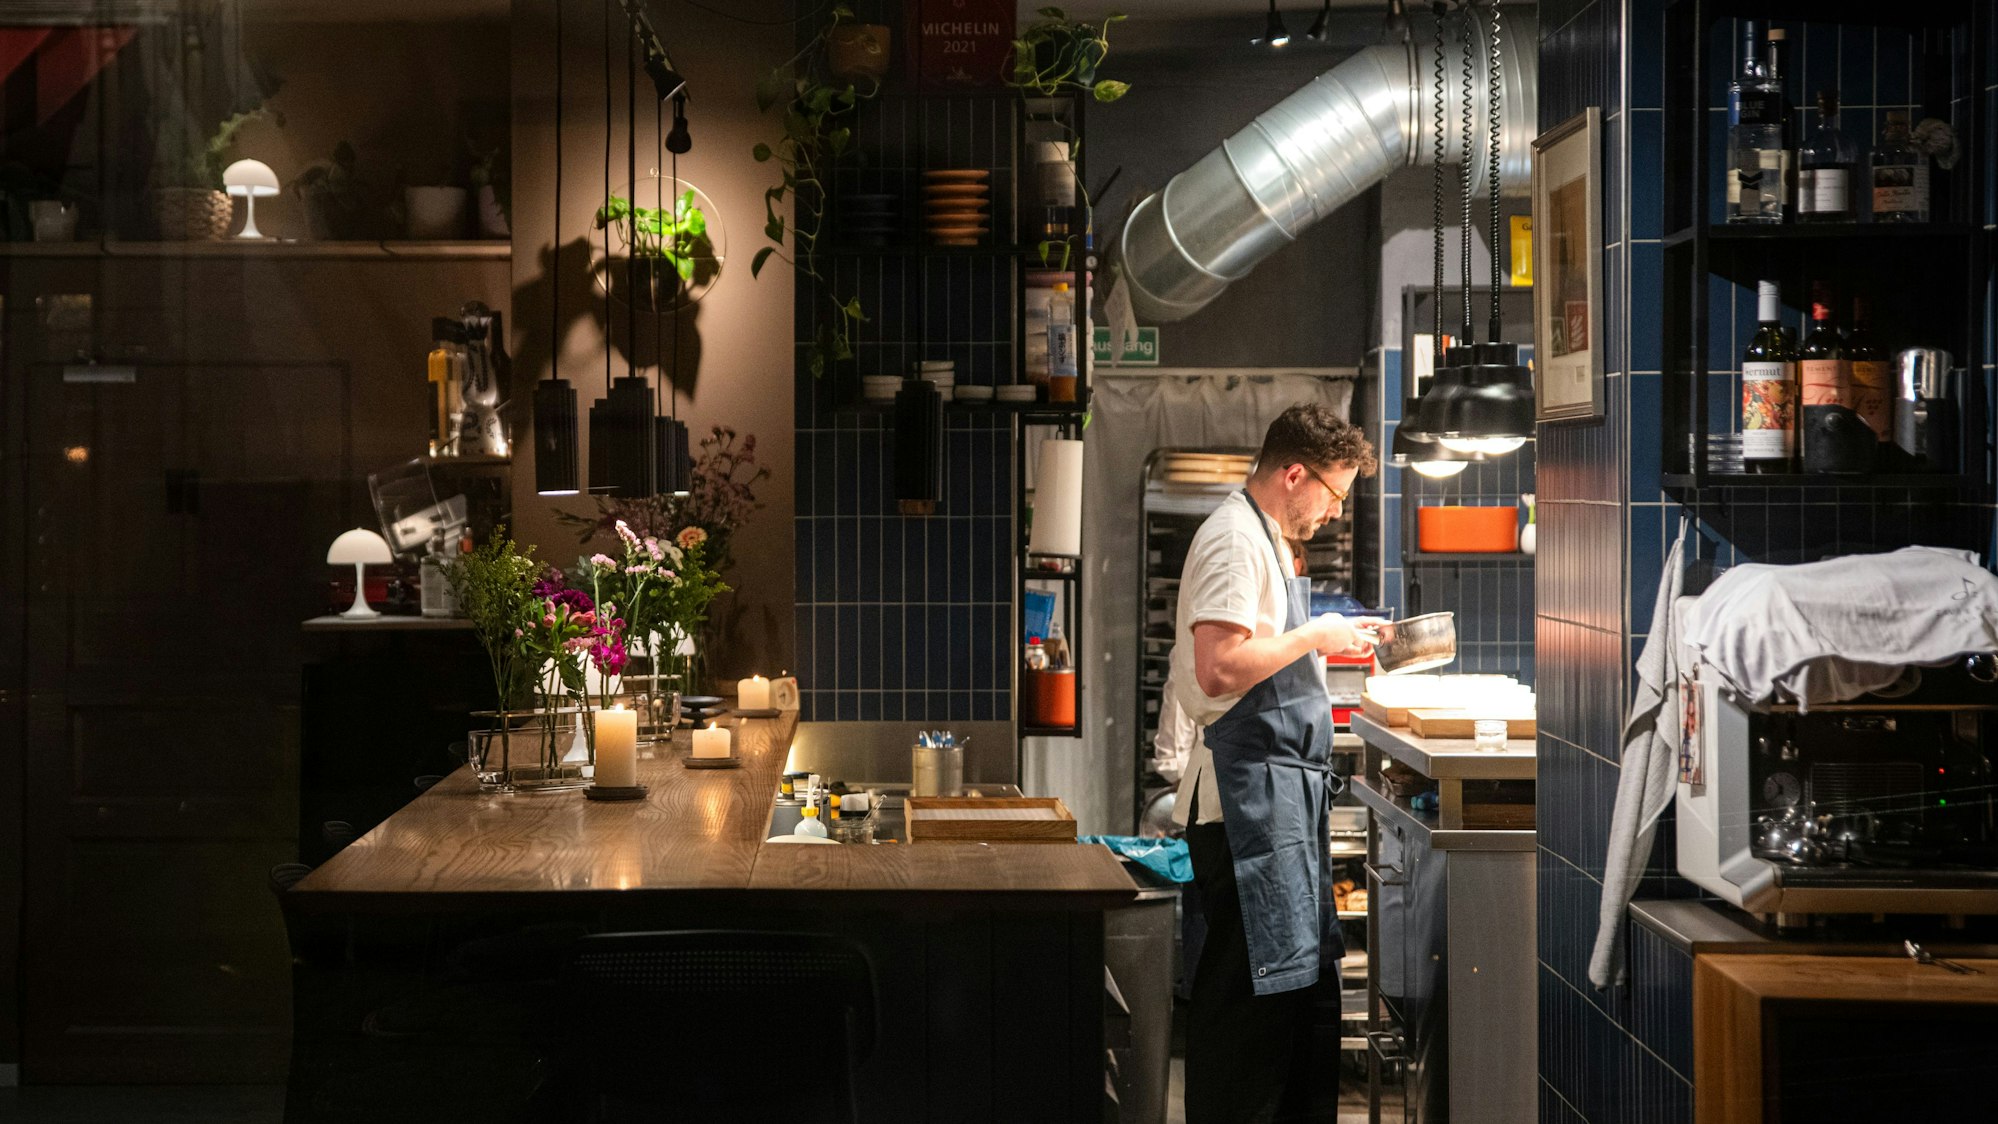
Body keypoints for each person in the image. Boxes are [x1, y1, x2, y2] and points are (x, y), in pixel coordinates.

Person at [1170, 403, 1380, 1123]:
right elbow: (1220, 666)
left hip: (1275, 803)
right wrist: (1314, 635)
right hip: (1244, 809)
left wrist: (1330, 635)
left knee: (1288, 1009)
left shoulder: (1262, 538)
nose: (1333, 511)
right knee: (1245, 1019)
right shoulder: (1233, 540)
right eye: (1334, 494)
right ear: (1296, 473)